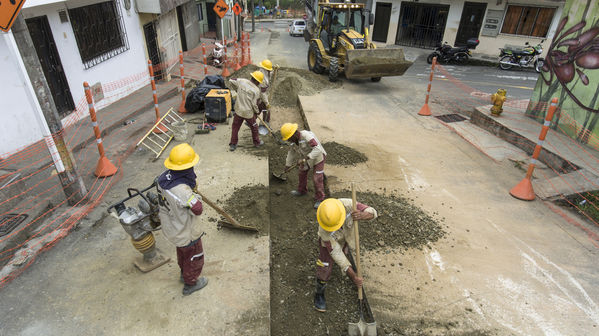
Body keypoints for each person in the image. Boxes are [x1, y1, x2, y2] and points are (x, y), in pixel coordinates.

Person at [156, 143, 208, 296]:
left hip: (173, 227)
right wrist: (195, 195)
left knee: (182, 253)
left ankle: (184, 273)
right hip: (186, 230)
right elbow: (197, 209)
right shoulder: (183, 192)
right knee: (194, 256)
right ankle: (191, 283)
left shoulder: (162, 179)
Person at [314, 198, 378, 312]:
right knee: (325, 266)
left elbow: (372, 212)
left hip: (345, 238)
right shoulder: (325, 231)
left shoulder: (349, 205)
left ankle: (347, 271)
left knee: (345, 251)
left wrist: (362, 215)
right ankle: (319, 293)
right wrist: (354, 276)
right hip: (329, 244)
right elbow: (336, 253)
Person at [280, 123, 327, 209]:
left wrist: (306, 158)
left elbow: (318, 149)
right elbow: (291, 152)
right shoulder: (294, 141)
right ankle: (302, 190)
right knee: (301, 173)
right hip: (307, 159)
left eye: (289, 138)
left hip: (318, 158)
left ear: (294, 134)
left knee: (317, 178)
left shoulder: (306, 136)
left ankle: (320, 198)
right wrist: (287, 165)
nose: (289, 141)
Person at [228, 71, 265, 151]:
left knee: (235, 127)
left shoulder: (242, 81)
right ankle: (257, 142)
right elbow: (254, 104)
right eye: (259, 82)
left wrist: (237, 90)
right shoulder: (256, 90)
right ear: (257, 81)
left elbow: (231, 80)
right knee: (254, 127)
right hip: (248, 113)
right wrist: (256, 111)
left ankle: (233, 144)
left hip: (238, 110)